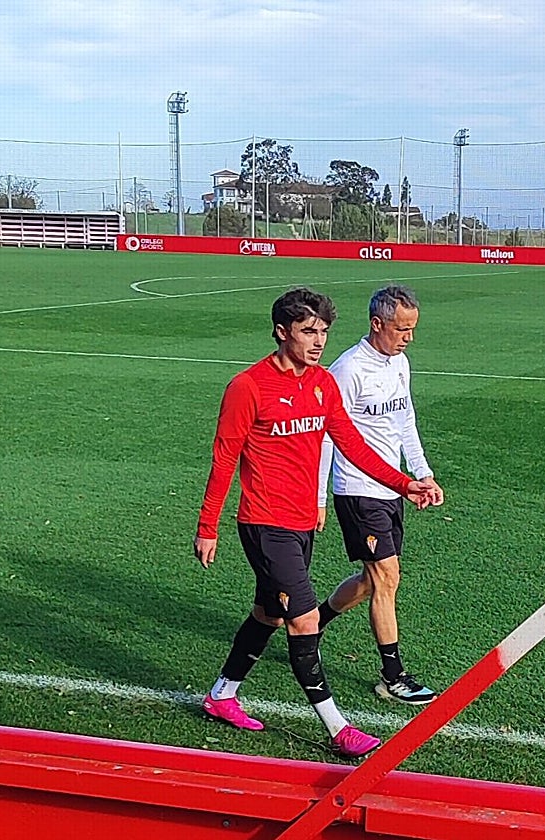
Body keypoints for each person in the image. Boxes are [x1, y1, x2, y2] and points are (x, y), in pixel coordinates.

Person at [194, 286, 439, 759]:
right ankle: (338, 727)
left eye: (324, 331)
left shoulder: (323, 383)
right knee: (303, 621)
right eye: (309, 331)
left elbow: (352, 445)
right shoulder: (248, 387)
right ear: (282, 331)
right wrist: (208, 527)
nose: (318, 340)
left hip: (303, 522)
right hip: (265, 524)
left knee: (267, 614)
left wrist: (406, 483)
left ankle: (222, 695)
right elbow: (224, 460)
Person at [316, 285, 444, 705]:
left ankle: (315, 621)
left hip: (392, 487)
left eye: (412, 329)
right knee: (387, 578)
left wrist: (422, 474)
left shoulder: (399, 363)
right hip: (358, 490)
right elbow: (326, 440)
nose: (409, 337)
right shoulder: (348, 370)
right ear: (377, 324)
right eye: (402, 329)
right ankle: (394, 675)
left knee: (374, 582)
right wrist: (319, 498)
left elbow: (405, 421)